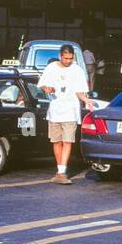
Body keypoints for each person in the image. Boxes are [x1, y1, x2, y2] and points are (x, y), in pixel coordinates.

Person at [37, 44, 93, 185]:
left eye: (71, 58)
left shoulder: (77, 70)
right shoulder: (51, 68)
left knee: (67, 141)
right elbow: (42, 84)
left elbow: (80, 91)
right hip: (55, 111)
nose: (68, 61)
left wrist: (86, 100)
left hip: (70, 112)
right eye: (66, 58)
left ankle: (62, 172)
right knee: (56, 141)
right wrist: (47, 88)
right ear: (60, 55)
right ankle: (59, 170)